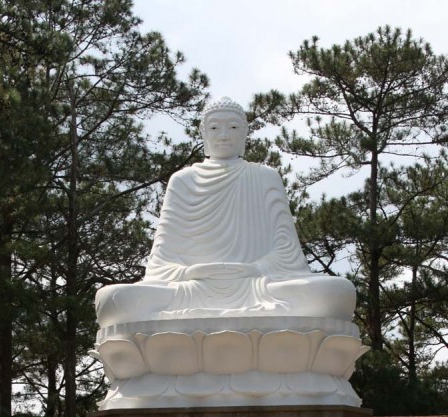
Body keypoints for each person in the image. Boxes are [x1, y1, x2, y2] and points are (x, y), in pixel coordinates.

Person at [95, 96, 356, 328]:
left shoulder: (265, 177)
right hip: (191, 289)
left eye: (232, 127)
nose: (223, 135)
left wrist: (255, 269)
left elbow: (287, 253)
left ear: (244, 133)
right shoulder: (183, 181)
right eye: (214, 128)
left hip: (257, 286)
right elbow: (161, 262)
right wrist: (188, 273)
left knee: (334, 294)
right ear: (203, 133)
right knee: (115, 300)